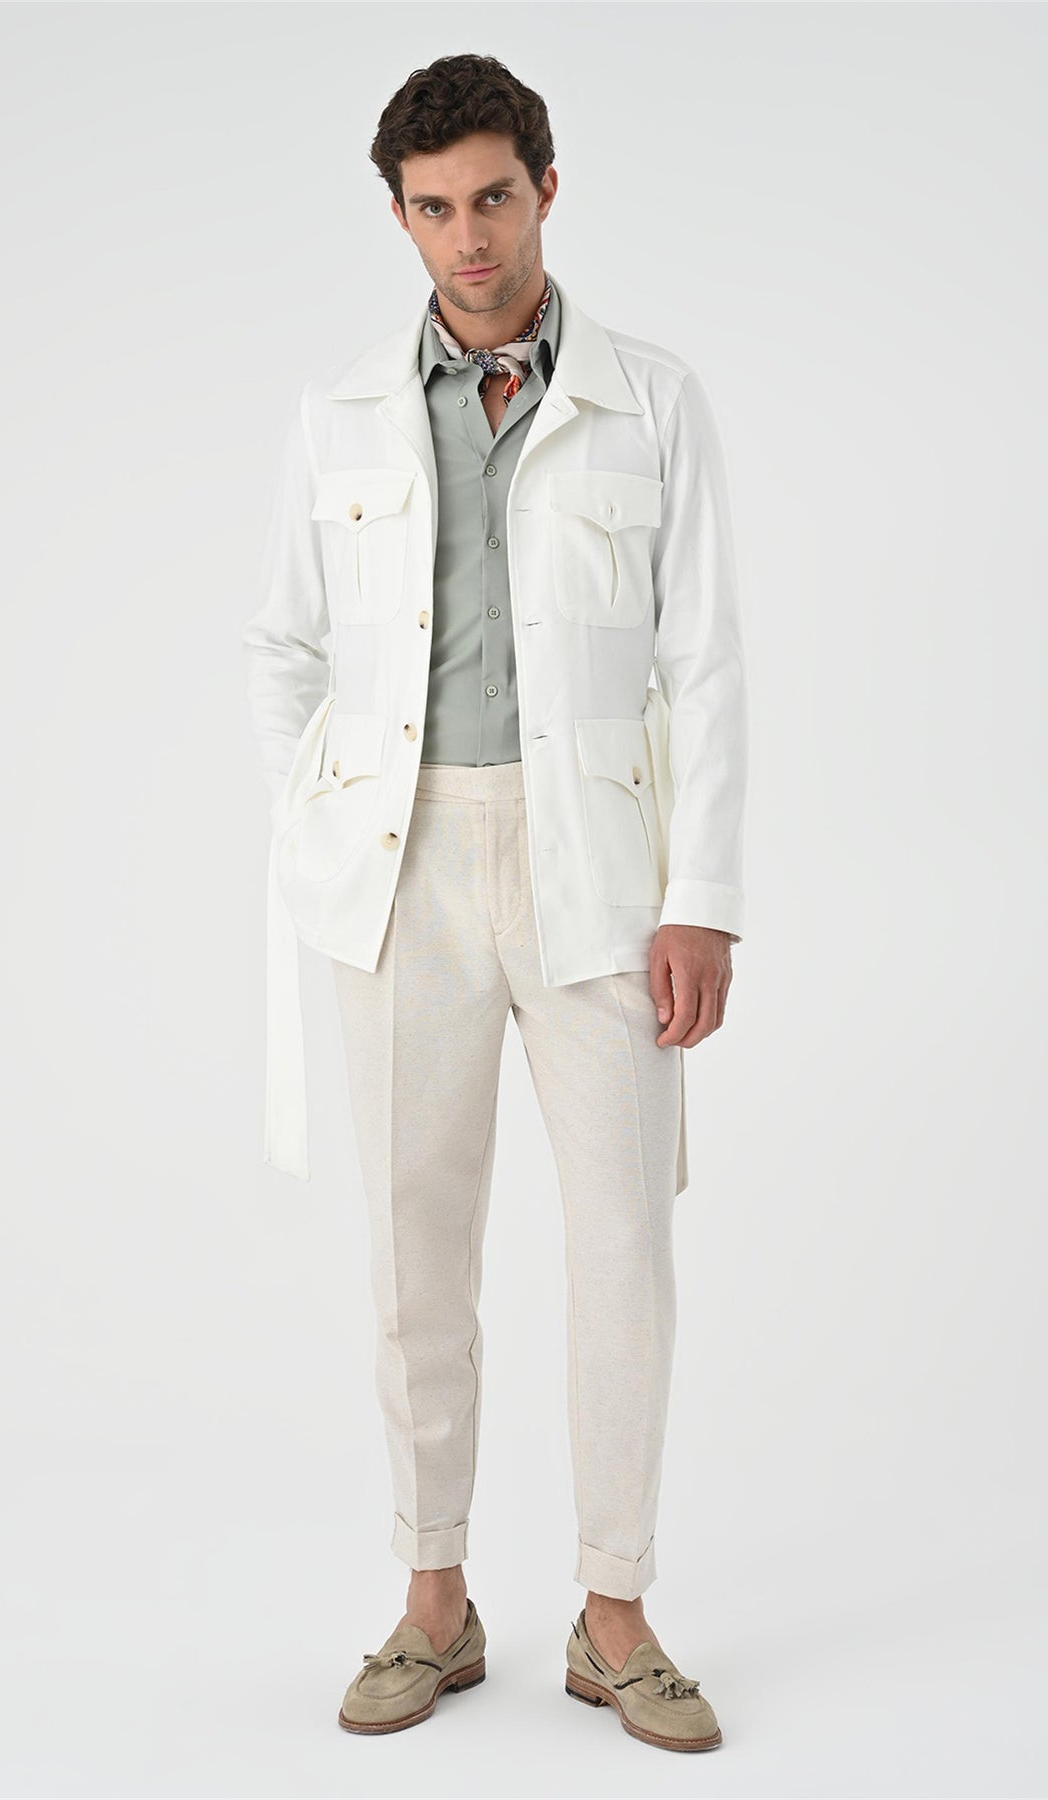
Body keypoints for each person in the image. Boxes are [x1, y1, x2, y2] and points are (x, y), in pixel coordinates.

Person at [241, 52, 748, 1753]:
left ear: (547, 189)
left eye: (496, 198)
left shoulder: (651, 401)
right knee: (415, 1251)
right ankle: (434, 1599)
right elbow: (280, 646)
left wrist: (704, 897)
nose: (470, 238)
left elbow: (706, 664)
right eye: (435, 208)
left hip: (599, 872)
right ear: (399, 215)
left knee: (624, 1247)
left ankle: (616, 1613)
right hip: (402, 871)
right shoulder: (338, 414)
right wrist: (320, 826)